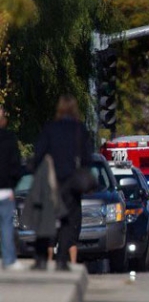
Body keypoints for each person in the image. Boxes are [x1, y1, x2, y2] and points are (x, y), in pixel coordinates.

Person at [33, 95, 92, 271]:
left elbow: (38, 153)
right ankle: (61, 260)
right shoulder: (79, 129)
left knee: (48, 219)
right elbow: (87, 158)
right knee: (68, 221)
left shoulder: (50, 128)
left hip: (52, 181)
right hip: (71, 181)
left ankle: (42, 258)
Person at [0, 107, 25, 271]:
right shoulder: (9, 138)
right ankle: (8, 259)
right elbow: (16, 166)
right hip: (5, 189)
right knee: (7, 225)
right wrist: (12, 185)